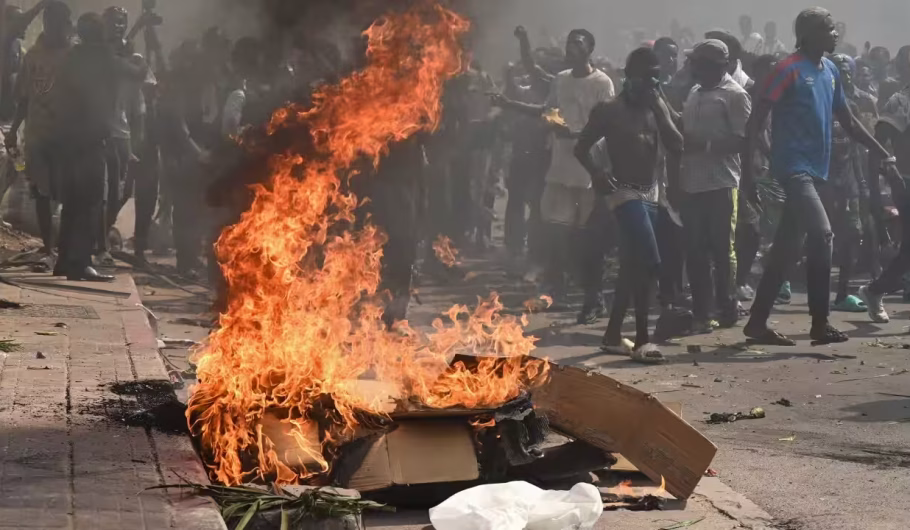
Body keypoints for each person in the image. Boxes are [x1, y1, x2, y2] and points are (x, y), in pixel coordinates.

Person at [741, 8, 899, 346]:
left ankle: (756, 323)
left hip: (817, 171)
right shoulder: (786, 69)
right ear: (808, 33)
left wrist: (882, 153)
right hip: (793, 169)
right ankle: (820, 322)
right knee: (823, 234)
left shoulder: (830, 71)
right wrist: (748, 175)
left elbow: (849, 121)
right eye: (828, 28)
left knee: (786, 248)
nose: (835, 33)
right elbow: (756, 121)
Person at [493, 28, 615, 314]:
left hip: (589, 172)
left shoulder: (602, 83)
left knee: (588, 237)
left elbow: (606, 125)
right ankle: (556, 290)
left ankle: (592, 294)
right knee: (556, 232)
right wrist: (514, 106)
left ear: (590, 49)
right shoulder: (561, 80)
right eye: (570, 42)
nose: (572, 47)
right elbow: (548, 111)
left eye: (579, 43)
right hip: (560, 169)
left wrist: (572, 133)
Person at [575, 46, 684, 362]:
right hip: (622, 192)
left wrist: (660, 108)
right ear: (629, 76)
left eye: (656, 77)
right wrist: (597, 173)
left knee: (632, 265)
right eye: (646, 77)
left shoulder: (656, 106)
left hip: (651, 191)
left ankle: (612, 336)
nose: (652, 83)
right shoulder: (609, 110)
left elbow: (678, 145)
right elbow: (581, 148)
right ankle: (642, 341)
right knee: (649, 260)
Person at [51, 13, 146, 281]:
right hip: (92, 142)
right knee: (90, 203)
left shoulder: (71, 57)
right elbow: (138, 73)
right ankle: (81, 263)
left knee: (72, 202)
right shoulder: (104, 58)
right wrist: (140, 58)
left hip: (68, 140)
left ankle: (63, 260)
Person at [671, 40, 751, 333]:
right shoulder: (694, 92)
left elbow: (743, 140)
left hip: (720, 183)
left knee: (722, 249)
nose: (693, 68)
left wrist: (704, 146)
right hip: (692, 183)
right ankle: (703, 310)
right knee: (695, 250)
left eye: (699, 63)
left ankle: (727, 305)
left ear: (717, 66)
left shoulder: (735, 95)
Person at [5, 0, 72, 265]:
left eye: (60, 23)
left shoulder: (76, 56)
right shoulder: (32, 56)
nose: (55, 28)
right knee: (41, 192)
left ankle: (66, 246)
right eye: (50, 21)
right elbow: (23, 98)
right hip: (37, 136)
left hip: (68, 137)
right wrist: (14, 131)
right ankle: (48, 247)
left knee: (67, 193)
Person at [858, 45, 910, 324]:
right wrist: (882, 180)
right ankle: (875, 290)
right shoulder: (900, 102)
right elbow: (877, 144)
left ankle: (876, 290)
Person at [825, 54, 870, 312]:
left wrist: (861, 183)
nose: (845, 76)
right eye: (839, 72)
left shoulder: (850, 106)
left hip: (848, 184)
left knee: (852, 236)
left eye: (847, 71)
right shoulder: (815, 103)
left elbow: (855, 149)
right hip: (821, 184)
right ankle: (787, 284)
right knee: (816, 238)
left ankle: (842, 294)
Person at [0, 0, 49, 121]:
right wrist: (41, 5)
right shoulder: (4, 42)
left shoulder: (16, 45)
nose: (25, 25)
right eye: (18, 19)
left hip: (10, 112)